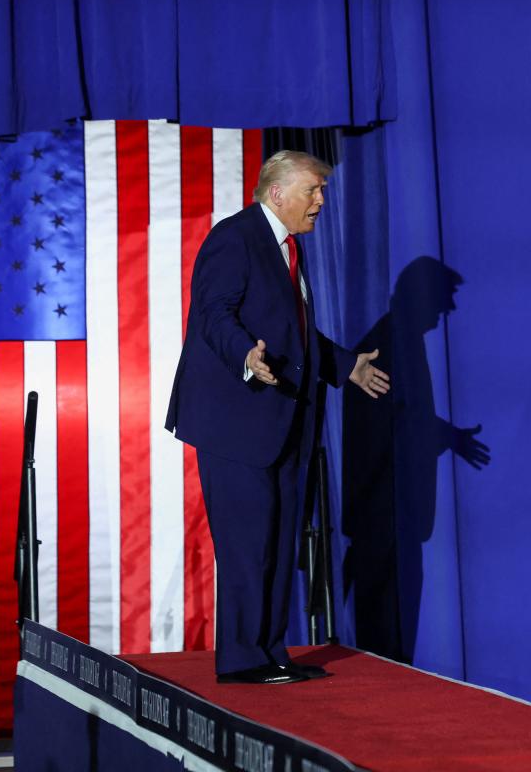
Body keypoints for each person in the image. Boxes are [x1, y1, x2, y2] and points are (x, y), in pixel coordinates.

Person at [165, 150, 390, 684]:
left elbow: (296, 335)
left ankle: (269, 652)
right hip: (236, 420)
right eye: (313, 190)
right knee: (248, 543)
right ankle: (242, 658)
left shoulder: (287, 249)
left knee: (280, 537)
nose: (320, 202)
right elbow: (213, 314)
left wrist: (344, 366)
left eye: (321, 192)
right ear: (277, 193)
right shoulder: (234, 238)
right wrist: (245, 354)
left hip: (284, 418)